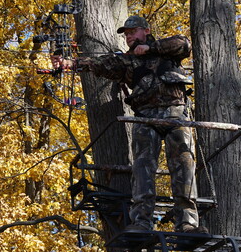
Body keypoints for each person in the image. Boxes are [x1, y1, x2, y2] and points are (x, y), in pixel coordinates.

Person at [52, 15, 207, 234]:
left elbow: (184, 43)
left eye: (133, 32)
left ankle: (188, 224)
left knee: (184, 167)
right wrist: (70, 63)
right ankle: (142, 222)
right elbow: (100, 64)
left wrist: (151, 48)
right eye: (126, 34)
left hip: (175, 115)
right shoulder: (126, 60)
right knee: (142, 170)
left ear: (146, 30)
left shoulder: (167, 50)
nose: (129, 37)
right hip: (144, 118)